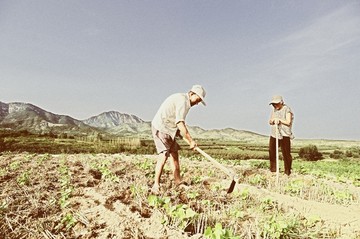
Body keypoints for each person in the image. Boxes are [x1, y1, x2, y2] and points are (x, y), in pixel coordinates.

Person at [151, 85, 206, 194]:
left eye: (199, 101)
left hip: (169, 129)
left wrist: (178, 132)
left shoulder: (184, 101)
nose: (197, 103)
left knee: (175, 154)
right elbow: (180, 122)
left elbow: (175, 119)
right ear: (191, 94)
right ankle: (156, 185)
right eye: (197, 99)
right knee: (163, 155)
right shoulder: (183, 101)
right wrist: (191, 140)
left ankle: (178, 182)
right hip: (161, 127)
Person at [268, 95, 294, 176]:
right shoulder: (274, 110)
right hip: (274, 133)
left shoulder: (287, 109)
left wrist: (279, 120)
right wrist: (272, 121)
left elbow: (288, 122)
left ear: (281, 102)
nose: (275, 106)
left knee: (286, 153)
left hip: (284, 134)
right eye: (273, 104)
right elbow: (270, 120)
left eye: (276, 104)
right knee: (272, 151)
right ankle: (273, 170)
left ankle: (287, 172)